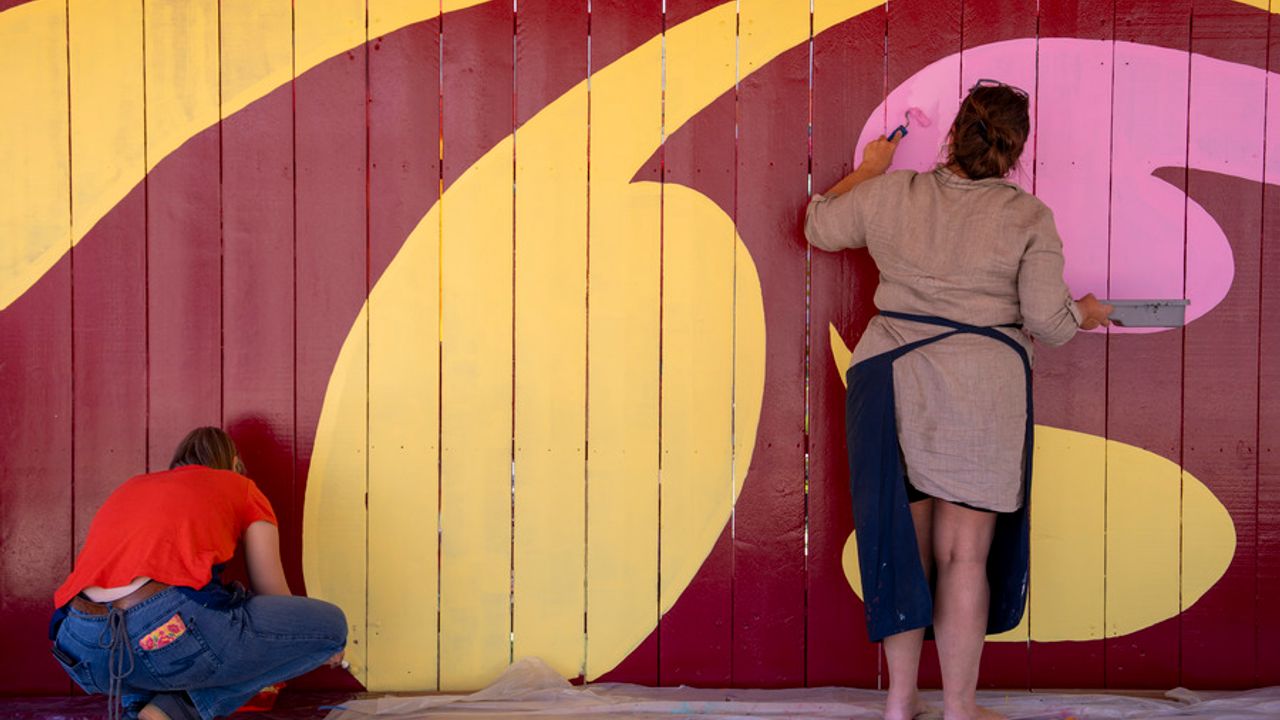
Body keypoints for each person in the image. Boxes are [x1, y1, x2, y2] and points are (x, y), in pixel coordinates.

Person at [804, 80, 1112, 720]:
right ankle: (958, 707)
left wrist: (868, 169)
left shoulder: (890, 193)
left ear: (952, 135)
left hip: (891, 382)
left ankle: (899, 703)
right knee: (963, 553)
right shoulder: (1028, 218)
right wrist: (1083, 311)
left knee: (904, 545)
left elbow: (818, 225)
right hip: (981, 392)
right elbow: (1049, 323)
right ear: (1015, 151)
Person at [48, 427, 348, 720]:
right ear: (234, 464)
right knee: (332, 627)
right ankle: (176, 710)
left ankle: (139, 709)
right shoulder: (240, 486)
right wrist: (315, 643)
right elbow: (272, 592)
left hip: (82, 644)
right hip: (165, 632)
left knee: (154, 645)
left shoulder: (133, 486)